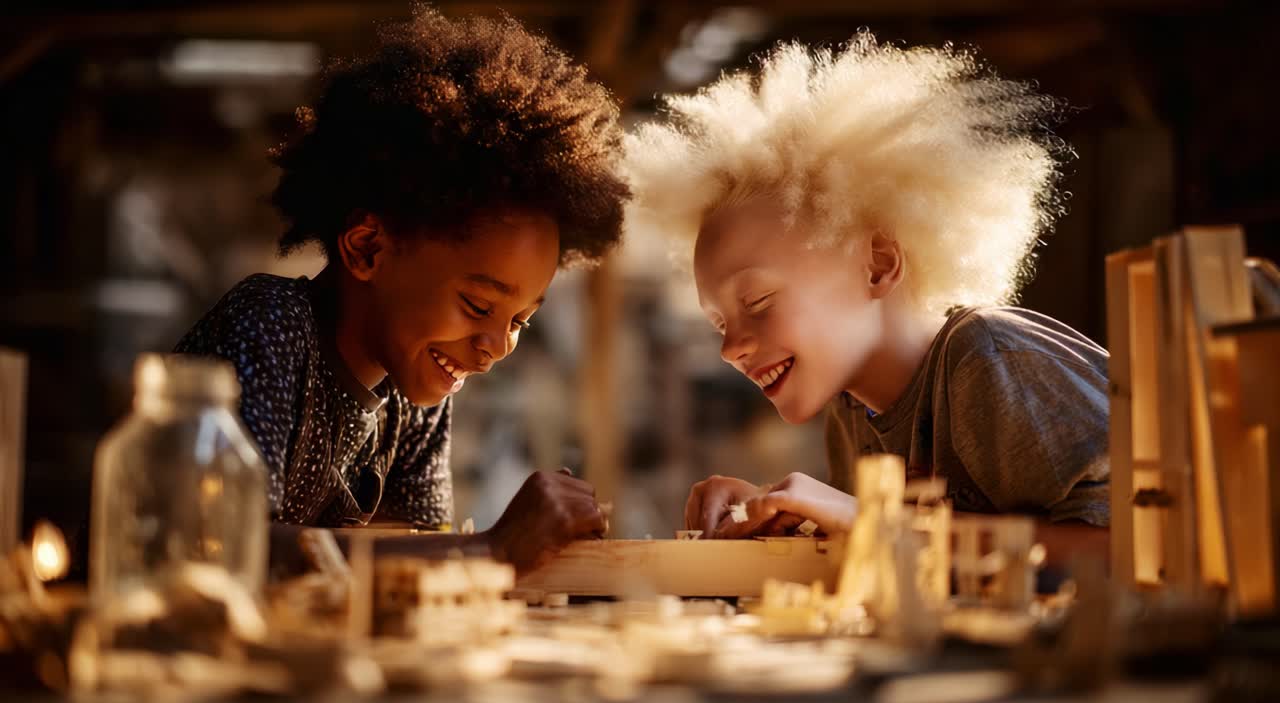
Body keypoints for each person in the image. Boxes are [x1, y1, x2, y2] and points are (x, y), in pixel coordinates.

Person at [176, 7, 630, 574]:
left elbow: (415, 572)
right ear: (368, 248)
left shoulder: (415, 398)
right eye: (478, 305)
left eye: (520, 320)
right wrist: (489, 548)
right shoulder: (269, 325)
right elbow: (222, 548)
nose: (496, 347)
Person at [623, 35, 1109, 562]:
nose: (729, 349)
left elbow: (1135, 549)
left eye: (758, 301)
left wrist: (867, 520)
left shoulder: (987, 358)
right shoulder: (850, 411)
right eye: (719, 324)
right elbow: (896, 552)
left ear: (878, 264)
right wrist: (777, 514)